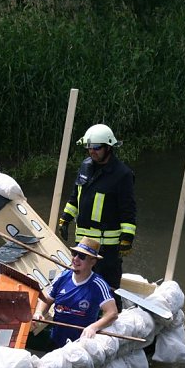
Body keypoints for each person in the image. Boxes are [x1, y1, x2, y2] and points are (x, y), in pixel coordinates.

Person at [57, 123, 136, 290]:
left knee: (108, 289)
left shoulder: (122, 175)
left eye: (96, 147)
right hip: (82, 244)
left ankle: (112, 315)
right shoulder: (86, 165)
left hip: (107, 248)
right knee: (81, 285)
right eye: (88, 147)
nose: (92, 151)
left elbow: (128, 209)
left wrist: (127, 238)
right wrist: (65, 218)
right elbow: (75, 196)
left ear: (108, 147)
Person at [32, 237, 119, 348]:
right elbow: (47, 300)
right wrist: (39, 312)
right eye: (74, 253)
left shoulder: (98, 284)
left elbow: (112, 313)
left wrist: (94, 327)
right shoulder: (62, 277)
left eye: (82, 256)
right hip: (56, 340)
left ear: (93, 261)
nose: (76, 259)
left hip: (80, 345)